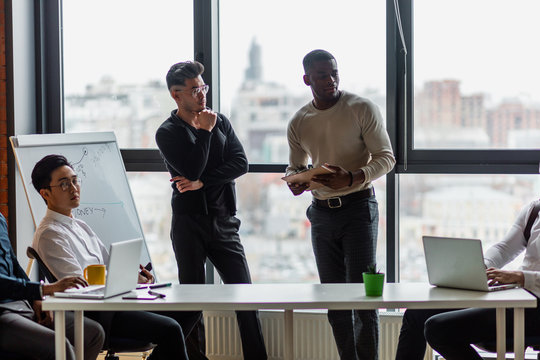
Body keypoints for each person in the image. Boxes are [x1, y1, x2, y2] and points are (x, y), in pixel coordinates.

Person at [31, 154, 201, 360]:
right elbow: (79, 285)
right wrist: (125, 279)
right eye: (64, 184)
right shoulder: (50, 233)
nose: (74, 188)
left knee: (192, 309)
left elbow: (108, 263)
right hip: (100, 313)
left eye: (75, 181)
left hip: (118, 302)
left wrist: (135, 276)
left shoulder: (80, 224)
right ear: (45, 193)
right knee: (171, 329)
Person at [285, 49, 395, 360]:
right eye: (322, 75)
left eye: (334, 72)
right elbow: (294, 166)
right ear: (307, 79)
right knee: (334, 299)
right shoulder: (299, 121)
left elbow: (387, 158)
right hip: (321, 214)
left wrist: (352, 177)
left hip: (359, 209)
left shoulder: (361, 107)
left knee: (362, 298)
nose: (331, 79)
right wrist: (296, 180)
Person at [155, 60, 268, 360]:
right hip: (189, 224)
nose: (202, 94)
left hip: (224, 221)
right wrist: (204, 134)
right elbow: (189, 169)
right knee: (192, 300)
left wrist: (202, 181)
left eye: (203, 87)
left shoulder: (222, 122)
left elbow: (240, 163)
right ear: (176, 95)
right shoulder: (167, 132)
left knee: (244, 297)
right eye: (194, 90)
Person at [395, 200, 540, 360]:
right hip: (517, 296)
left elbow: (523, 276)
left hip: (534, 308)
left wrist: (522, 277)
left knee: (438, 329)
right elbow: (503, 248)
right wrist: (481, 266)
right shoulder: (534, 209)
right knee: (416, 315)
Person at [0, 211, 105, 360]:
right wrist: (43, 289)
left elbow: (14, 265)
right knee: (61, 347)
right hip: (3, 312)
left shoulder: (0, 219)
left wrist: (37, 297)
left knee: (92, 334)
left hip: (22, 304)